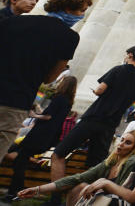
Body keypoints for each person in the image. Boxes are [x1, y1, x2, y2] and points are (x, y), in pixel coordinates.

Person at [51, 45, 135, 191]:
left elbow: (100, 89)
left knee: (58, 154)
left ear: (130, 55)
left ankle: (56, 197)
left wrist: (96, 92)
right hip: (111, 124)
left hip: (94, 117)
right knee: (97, 166)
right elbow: (134, 101)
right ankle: (84, 199)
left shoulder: (118, 69)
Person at [0, 10, 79, 157]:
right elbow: (49, 78)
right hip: (16, 103)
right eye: (81, 11)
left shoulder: (14, 21)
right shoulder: (68, 37)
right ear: (70, 10)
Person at [17, 130, 135, 206]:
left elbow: (122, 195)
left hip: (114, 203)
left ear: (134, 148)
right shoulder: (110, 162)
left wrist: (99, 186)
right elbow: (77, 178)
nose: (121, 144)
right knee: (80, 185)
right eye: (122, 139)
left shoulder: (131, 161)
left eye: (128, 143)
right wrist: (38, 189)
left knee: (84, 187)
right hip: (99, 201)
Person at [4, 76, 78, 199]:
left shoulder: (58, 98)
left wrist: (34, 115)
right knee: (19, 160)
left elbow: (48, 117)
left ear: (64, 84)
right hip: (48, 137)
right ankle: (17, 191)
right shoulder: (68, 101)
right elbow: (53, 116)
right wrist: (39, 110)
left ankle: (14, 193)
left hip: (40, 135)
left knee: (18, 159)